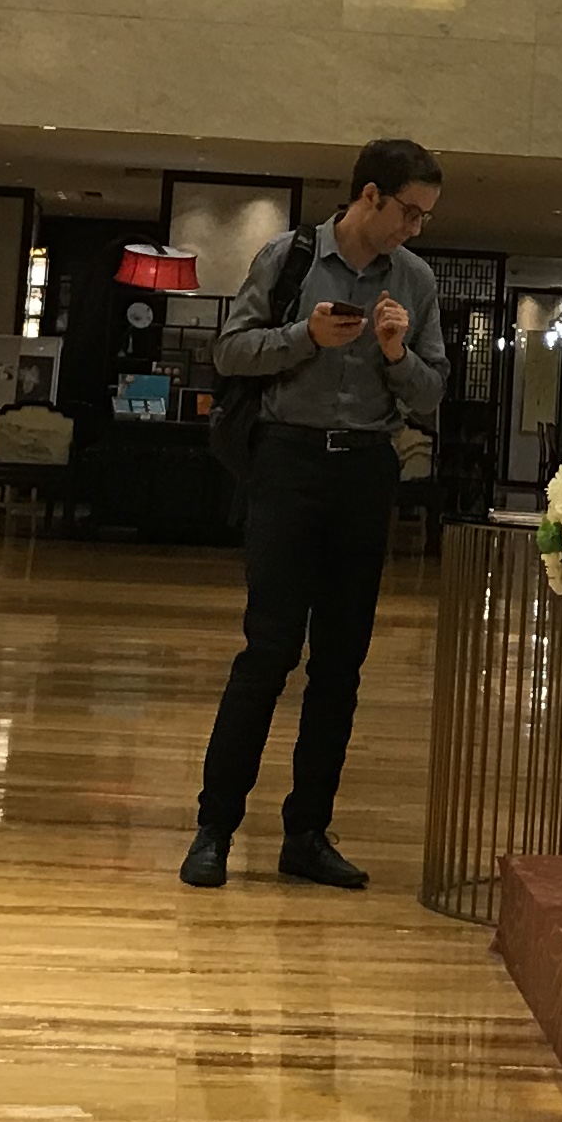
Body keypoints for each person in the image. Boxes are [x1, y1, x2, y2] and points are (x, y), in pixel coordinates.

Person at [182, 137, 447, 890]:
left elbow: (432, 392)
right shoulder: (290, 258)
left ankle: (306, 834)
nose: (414, 228)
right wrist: (307, 337)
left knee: (340, 664)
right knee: (267, 651)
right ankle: (214, 829)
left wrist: (396, 354)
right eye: (408, 212)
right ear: (369, 196)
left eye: (424, 217)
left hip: (365, 468)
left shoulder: (415, 280)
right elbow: (231, 352)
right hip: (288, 462)